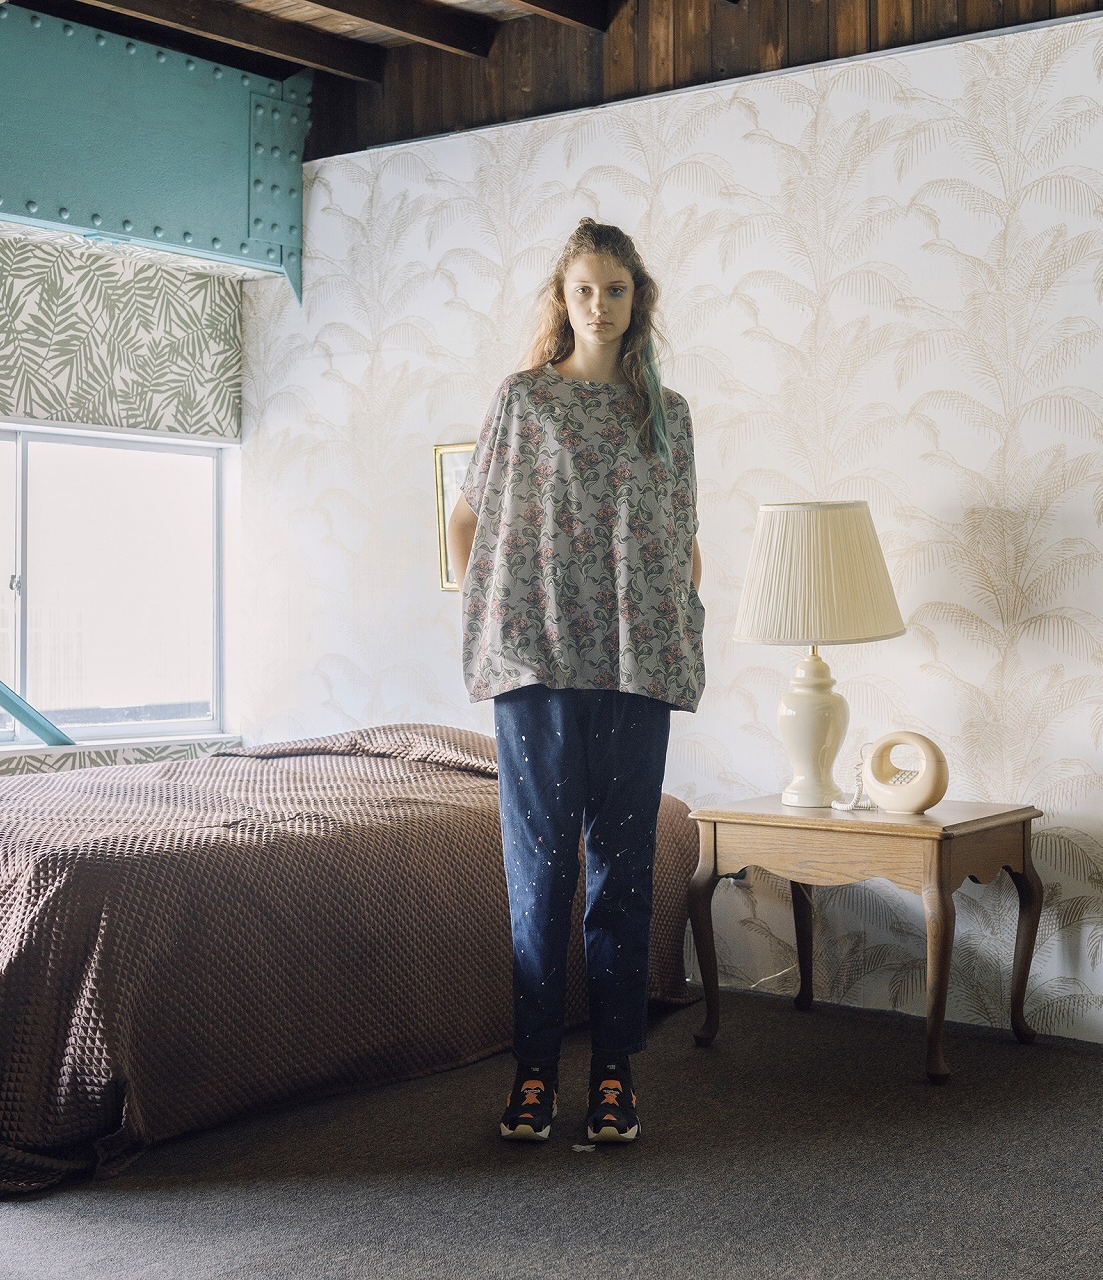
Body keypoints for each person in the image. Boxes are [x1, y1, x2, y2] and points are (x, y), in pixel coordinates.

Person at [446, 218, 705, 1145]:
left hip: (635, 670)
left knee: (624, 878)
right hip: (540, 668)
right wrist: (497, 619)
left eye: (616, 289)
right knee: (543, 874)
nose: (600, 305)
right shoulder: (525, 400)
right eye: (584, 289)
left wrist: (674, 619)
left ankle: (613, 1077)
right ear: (563, 299)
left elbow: (684, 541)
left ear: (639, 299)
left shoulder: (668, 414)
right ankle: (532, 1074)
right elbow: (469, 521)